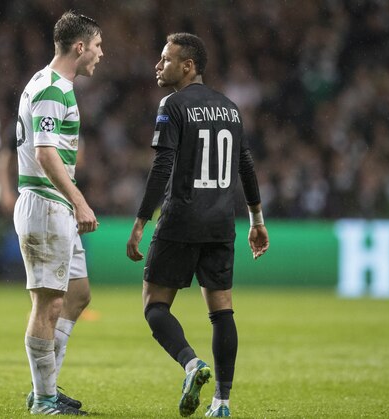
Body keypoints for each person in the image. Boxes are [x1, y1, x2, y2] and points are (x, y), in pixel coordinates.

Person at [126, 33, 270, 418]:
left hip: (182, 218)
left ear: (188, 66)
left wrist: (141, 220)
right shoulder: (230, 108)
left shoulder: (172, 105)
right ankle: (222, 402)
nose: (159, 66)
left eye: (166, 59)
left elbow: (161, 166)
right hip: (222, 222)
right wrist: (257, 219)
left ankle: (192, 364)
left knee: (155, 306)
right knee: (222, 311)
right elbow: (246, 165)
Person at [14, 11, 102, 416]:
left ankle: (45, 388)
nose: (101, 54)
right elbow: (45, 152)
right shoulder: (53, 88)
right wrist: (80, 200)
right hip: (46, 204)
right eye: (98, 46)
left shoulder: (50, 83)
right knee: (47, 304)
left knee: (77, 295)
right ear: (79, 47)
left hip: (56, 205)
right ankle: (43, 399)